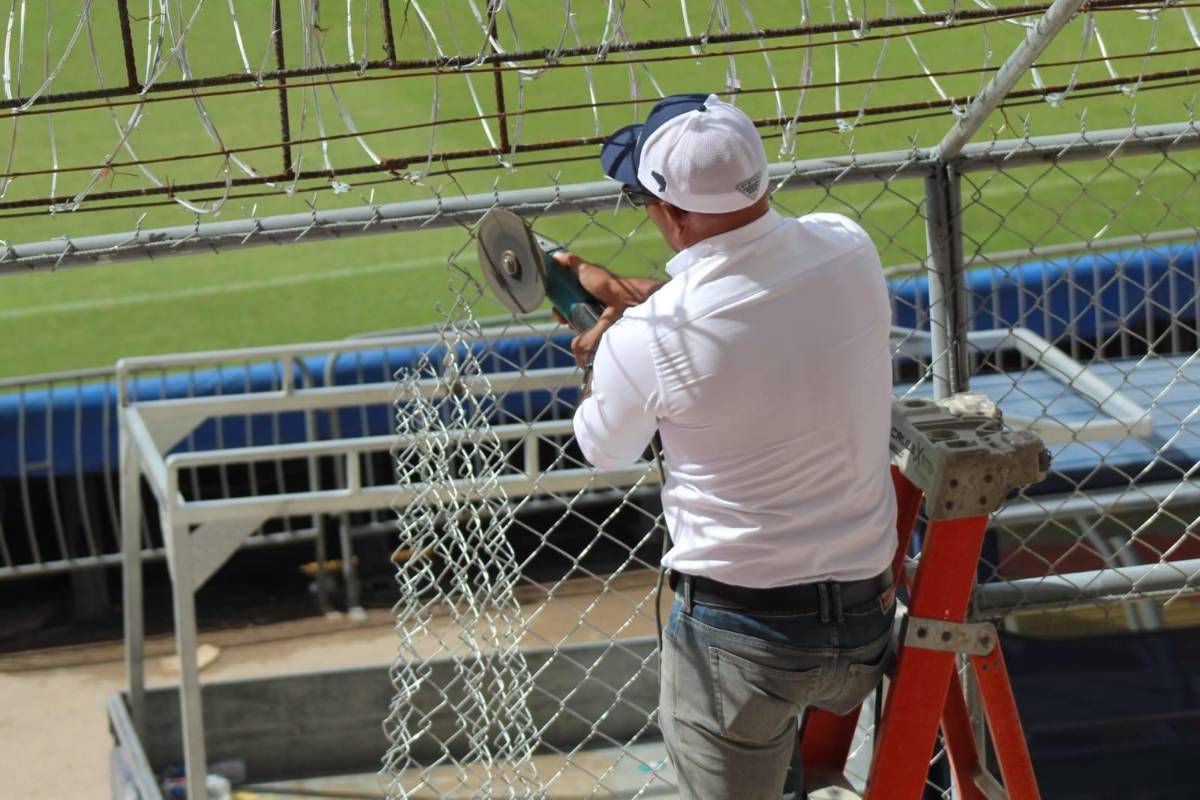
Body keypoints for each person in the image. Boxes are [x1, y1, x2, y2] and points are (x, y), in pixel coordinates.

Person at [551, 93, 899, 799]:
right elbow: (752, 305)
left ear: (672, 215)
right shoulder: (848, 247)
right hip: (868, 626)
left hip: (741, 643)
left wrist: (600, 358)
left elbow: (606, 449)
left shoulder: (645, 340)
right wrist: (640, 306)